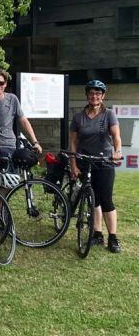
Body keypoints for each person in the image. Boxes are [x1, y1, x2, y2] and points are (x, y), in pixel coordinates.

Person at [69, 80, 122, 253]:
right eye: (92, 93)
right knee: (93, 199)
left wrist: (117, 151)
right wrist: (73, 165)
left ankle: (113, 237)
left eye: (98, 93)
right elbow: (73, 143)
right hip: (85, 161)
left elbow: (116, 137)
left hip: (104, 161)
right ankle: (97, 234)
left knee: (106, 199)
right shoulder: (78, 117)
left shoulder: (109, 115)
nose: (94, 96)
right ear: (87, 95)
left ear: (103, 96)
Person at [0, 68, 43, 192]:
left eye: (1, 83)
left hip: (9, 146)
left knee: (10, 182)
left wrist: (35, 142)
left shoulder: (12, 99)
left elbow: (23, 120)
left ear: (6, 84)